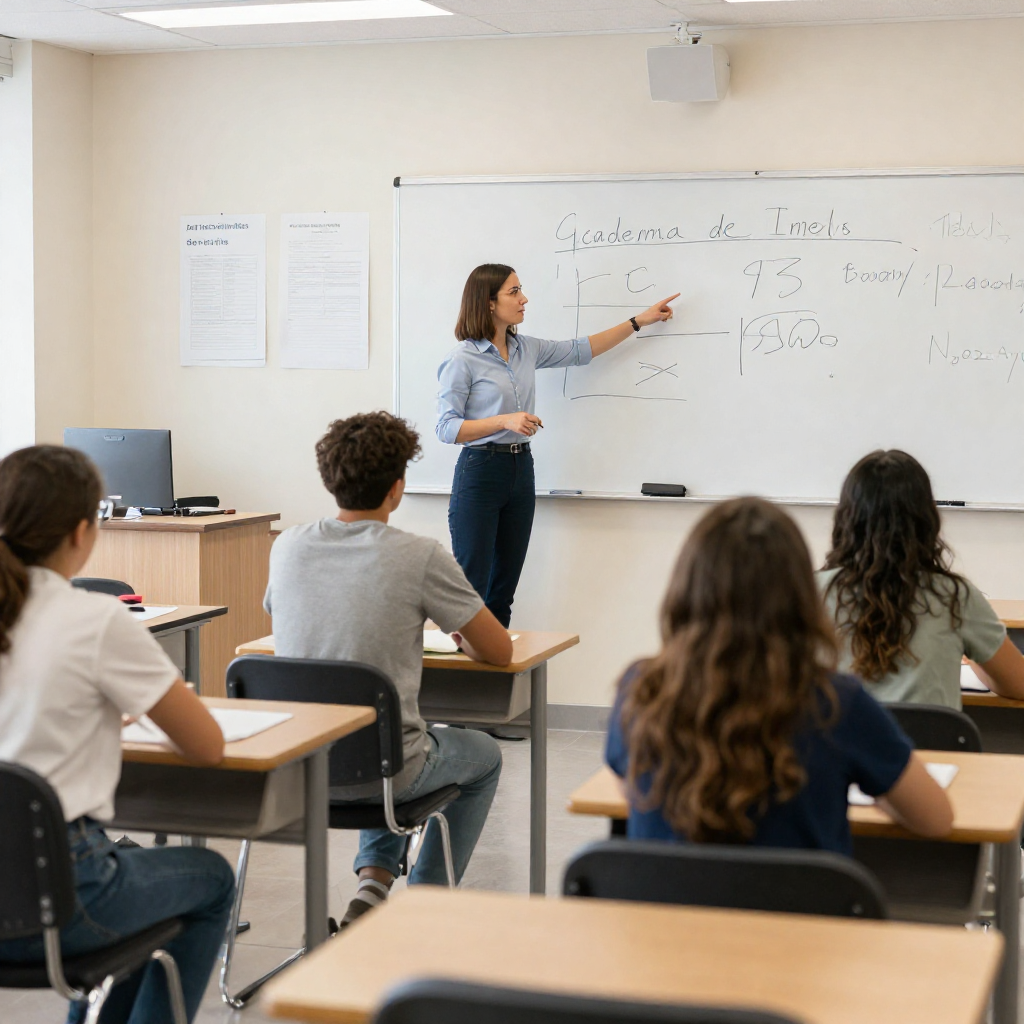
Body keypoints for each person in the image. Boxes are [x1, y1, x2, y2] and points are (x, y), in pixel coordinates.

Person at [0, 445, 234, 1024]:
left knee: (129, 868)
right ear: (83, 532)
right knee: (210, 879)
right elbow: (206, 745)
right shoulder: (97, 618)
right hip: (61, 899)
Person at [264, 411, 512, 928]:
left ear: (329, 480)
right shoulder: (418, 555)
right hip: (384, 769)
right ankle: (424, 904)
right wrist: (461, 636)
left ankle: (372, 890)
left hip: (298, 765)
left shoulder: (286, 546)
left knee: (378, 738)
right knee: (481, 755)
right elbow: (500, 652)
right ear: (397, 488)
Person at [605, 496, 953, 851]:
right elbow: (936, 819)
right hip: (801, 891)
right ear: (800, 598)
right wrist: (880, 794)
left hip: (666, 890)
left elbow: (630, 793)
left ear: (685, 590)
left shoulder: (640, 690)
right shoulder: (838, 704)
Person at [436, 263, 679, 627]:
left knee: (502, 594)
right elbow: (446, 428)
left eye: (521, 289)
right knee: (471, 593)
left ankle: (496, 663)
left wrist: (638, 321)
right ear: (488, 303)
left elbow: (582, 350)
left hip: (520, 470)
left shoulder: (525, 348)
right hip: (480, 472)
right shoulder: (463, 359)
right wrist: (504, 420)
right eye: (514, 292)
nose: (524, 299)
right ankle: (464, 664)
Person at [820, 450, 1024, 708]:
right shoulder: (955, 596)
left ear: (846, 517)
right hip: (929, 737)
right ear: (927, 519)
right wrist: (972, 654)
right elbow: (1019, 684)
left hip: (843, 736)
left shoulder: (812, 593)